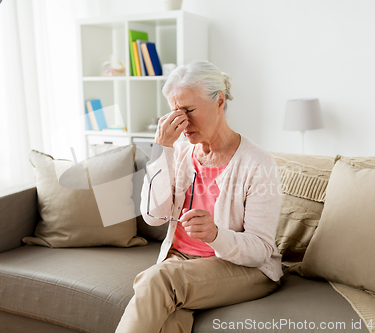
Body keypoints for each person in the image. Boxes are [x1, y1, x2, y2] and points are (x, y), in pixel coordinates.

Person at [115, 61, 283, 333]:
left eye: (189, 110)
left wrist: (215, 234)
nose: (182, 122)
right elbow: (154, 216)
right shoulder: (178, 154)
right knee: (169, 322)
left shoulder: (258, 163)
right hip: (182, 262)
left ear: (219, 101)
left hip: (244, 268)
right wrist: (162, 150)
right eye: (175, 112)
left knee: (156, 280)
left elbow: (260, 250)